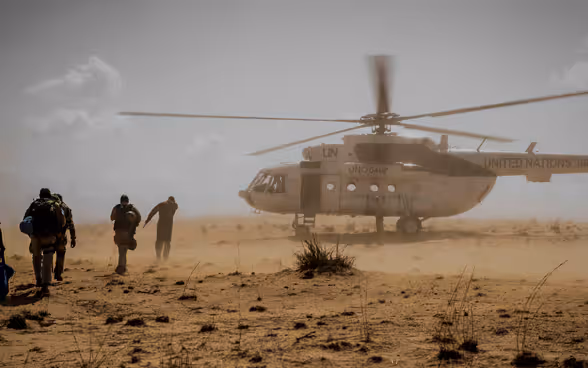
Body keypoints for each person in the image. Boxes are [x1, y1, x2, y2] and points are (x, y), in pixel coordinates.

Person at [21, 188, 65, 295]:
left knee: (36, 256)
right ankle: (45, 285)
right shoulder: (55, 204)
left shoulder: (34, 204)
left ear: (40, 195)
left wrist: (31, 234)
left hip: (35, 235)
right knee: (47, 257)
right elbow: (62, 220)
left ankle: (38, 279)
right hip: (49, 235)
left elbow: (26, 219)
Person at [110, 194, 141, 275]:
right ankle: (122, 266)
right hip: (122, 232)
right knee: (123, 250)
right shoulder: (130, 208)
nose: (124, 203)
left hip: (125, 232)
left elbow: (112, 218)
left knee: (122, 249)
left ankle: (121, 266)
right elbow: (139, 217)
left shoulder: (118, 208)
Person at [144, 196, 179, 261]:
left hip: (161, 224)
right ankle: (165, 258)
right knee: (167, 241)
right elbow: (175, 206)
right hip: (168, 225)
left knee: (160, 241)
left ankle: (158, 257)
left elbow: (153, 211)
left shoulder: (162, 204)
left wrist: (148, 219)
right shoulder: (174, 205)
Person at [52, 193, 76, 281]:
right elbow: (71, 225)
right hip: (61, 236)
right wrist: (73, 238)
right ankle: (58, 273)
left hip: (47, 235)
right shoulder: (65, 208)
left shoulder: (48, 207)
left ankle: (45, 274)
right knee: (60, 254)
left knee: (47, 253)